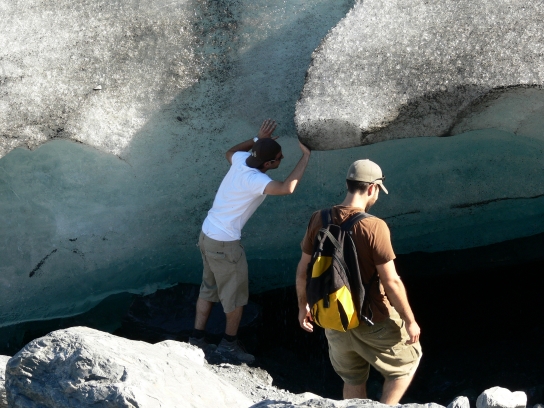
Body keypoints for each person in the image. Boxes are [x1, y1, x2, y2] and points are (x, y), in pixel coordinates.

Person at [295, 159, 421, 405]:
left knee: (352, 377)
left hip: (335, 317)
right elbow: (392, 281)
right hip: (372, 318)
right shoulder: (374, 226)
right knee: (406, 365)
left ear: (348, 184)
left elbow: (303, 271)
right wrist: (410, 321)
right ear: (372, 188)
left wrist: (303, 307)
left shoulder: (318, 218)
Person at [190, 119, 311, 363]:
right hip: (224, 244)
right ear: (268, 164)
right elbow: (287, 188)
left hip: (207, 234)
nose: (282, 159)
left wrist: (258, 139)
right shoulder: (255, 180)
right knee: (234, 297)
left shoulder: (241, 161)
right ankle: (228, 346)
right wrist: (306, 156)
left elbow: (230, 152)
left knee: (208, 288)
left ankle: (196, 338)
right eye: (279, 158)